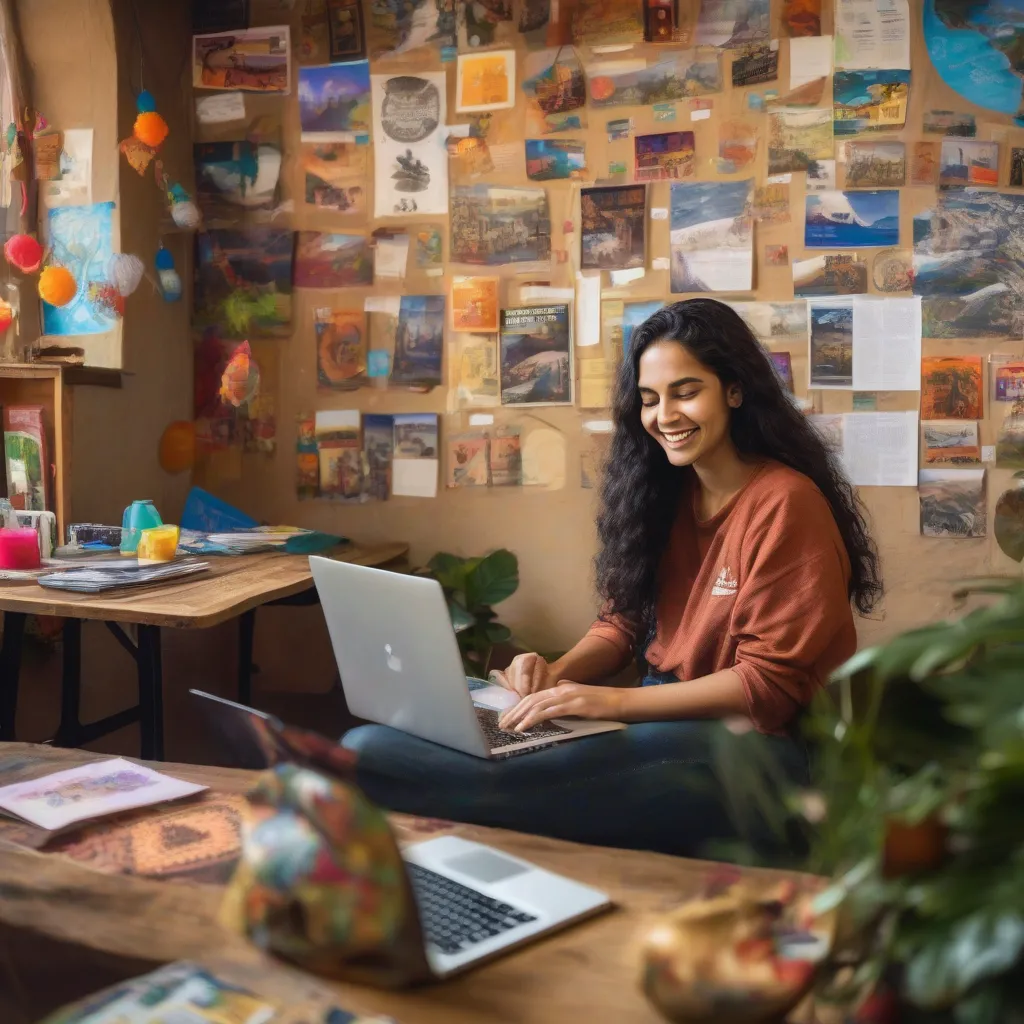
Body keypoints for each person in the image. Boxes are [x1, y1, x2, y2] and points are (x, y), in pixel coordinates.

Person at [342, 298, 882, 858]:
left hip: (753, 755)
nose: (665, 416)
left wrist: (609, 703)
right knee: (387, 743)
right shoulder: (664, 496)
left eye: (686, 391)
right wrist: (555, 675)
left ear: (735, 390)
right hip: (656, 724)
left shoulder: (785, 502)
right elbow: (621, 625)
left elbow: (765, 687)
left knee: (381, 762)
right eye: (649, 400)